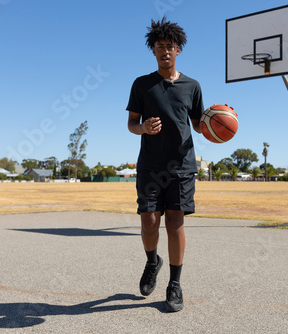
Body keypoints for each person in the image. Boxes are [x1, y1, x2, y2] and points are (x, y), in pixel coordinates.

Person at [126, 16, 204, 312]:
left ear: (178, 50)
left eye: (169, 46)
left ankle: (174, 285)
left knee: (175, 223)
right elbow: (132, 123)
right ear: (154, 51)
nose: (165, 51)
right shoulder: (142, 84)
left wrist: (215, 122)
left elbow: (198, 125)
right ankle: (151, 262)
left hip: (182, 165)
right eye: (159, 47)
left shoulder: (192, 86)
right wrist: (143, 128)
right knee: (149, 222)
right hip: (150, 165)